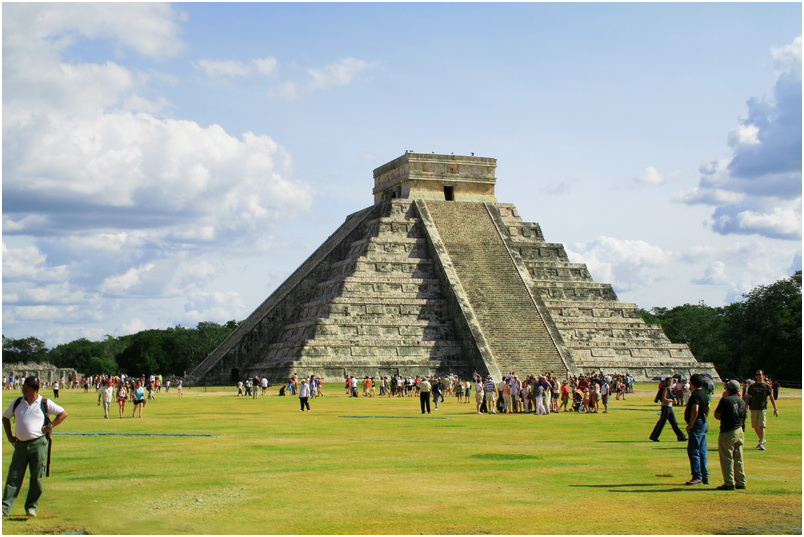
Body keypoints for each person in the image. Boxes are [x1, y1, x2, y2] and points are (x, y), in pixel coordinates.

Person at [2, 376, 68, 517]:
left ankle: (31, 507)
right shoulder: (18, 402)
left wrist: (50, 426)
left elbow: (63, 413)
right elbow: (5, 417)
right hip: (20, 445)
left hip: (38, 444)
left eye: (27, 388)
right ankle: (4, 508)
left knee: (36, 477)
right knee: (13, 476)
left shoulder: (44, 402)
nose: (24, 390)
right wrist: (9, 436)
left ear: (35, 389)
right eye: (24, 387)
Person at [714, 380, 748, 490]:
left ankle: (729, 482)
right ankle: (741, 481)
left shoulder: (725, 400)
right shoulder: (741, 401)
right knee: (739, 458)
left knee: (726, 458)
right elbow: (743, 417)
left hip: (728, 431)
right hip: (739, 430)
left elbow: (717, 415)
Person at [683, 374, 709, 485]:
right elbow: (708, 408)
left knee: (693, 450)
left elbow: (695, 409)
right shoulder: (703, 393)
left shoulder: (695, 395)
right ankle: (704, 476)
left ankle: (697, 476)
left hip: (696, 423)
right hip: (702, 422)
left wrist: (691, 423)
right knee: (702, 450)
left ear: (691, 383)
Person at [745, 370, 778, 450]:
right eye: (756, 375)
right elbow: (748, 396)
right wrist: (745, 407)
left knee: (762, 425)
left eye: (759, 374)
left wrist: (775, 409)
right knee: (755, 426)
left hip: (762, 408)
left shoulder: (766, 386)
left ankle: (761, 443)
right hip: (753, 408)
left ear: (763, 376)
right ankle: (761, 439)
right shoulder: (752, 386)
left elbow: (771, 398)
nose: (758, 376)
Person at [649, 377, 687, 442]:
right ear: (666, 382)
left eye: (671, 381)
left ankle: (681, 436)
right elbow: (664, 398)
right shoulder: (665, 388)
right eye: (669, 381)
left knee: (674, 423)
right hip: (666, 407)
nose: (670, 383)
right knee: (662, 422)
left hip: (668, 407)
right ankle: (654, 436)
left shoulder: (667, 388)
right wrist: (672, 400)